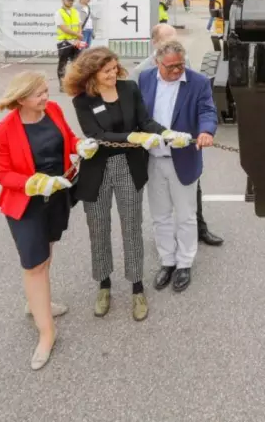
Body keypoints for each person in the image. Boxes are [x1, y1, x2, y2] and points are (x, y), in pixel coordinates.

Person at [0, 70, 99, 370]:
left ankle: (38, 304)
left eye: (45, 91)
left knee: (46, 254)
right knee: (34, 264)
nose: (46, 97)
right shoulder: (3, 131)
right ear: (22, 99)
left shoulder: (52, 111)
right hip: (27, 204)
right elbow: (2, 174)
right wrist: (37, 183)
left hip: (57, 197)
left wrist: (78, 146)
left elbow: (67, 137)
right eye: (38, 93)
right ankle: (46, 332)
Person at [66, 47, 171, 322]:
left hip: (128, 166)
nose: (114, 74)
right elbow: (97, 134)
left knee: (131, 225)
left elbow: (145, 121)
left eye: (115, 68)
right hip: (97, 169)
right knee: (98, 227)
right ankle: (103, 285)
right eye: (107, 70)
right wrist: (135, 137)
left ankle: (137, 287)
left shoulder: (129, 88)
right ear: (93, 73)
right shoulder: (82, 100)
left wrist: (165, 132)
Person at [133, 23, 225, 246]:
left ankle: (199, 230)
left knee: (190, 203)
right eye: (166, 40)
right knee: (161, 210)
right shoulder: (141, 75)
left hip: (185, 151)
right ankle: (167, 251)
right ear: (156, 47)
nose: (177, 71)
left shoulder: (185, 65)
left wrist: (205, 130)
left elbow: (204, 105)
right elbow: (137, 113)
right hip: (155, 153)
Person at [138, 40, 218, 292]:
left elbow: (207, 110)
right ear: (157, 62)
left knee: (185, 216)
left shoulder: (198, 82)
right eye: (171, 66)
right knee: (160, 216)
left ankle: (184, 264)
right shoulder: (145, 79)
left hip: (183, 159)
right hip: (152, 159)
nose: (177, 71)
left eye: (180, 65)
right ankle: (167, 261)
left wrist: (206, 131)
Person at [54, 0, 84, 90]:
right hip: (64, 41)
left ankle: (75, 83)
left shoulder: (75, 11)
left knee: (77, 63)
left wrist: (78, 37)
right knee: (63, 63)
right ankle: (62, 84)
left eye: (72, 0)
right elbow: (63, 28)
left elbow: (79, 25)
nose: (71, 2)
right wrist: (77, 35)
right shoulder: (59, 13)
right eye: (69, 0)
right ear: (63, 0)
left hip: (75, 41)